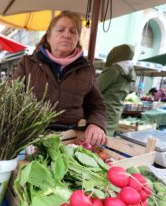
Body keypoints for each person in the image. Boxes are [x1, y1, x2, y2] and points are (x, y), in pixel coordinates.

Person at [13, 10, 106, 146]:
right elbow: (10, 97)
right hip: (30, 135)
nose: (67, 35)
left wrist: (96, 124)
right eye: (61, 30)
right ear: (49, 37)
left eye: (73, 31)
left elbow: (97, 106)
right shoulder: (28, 63)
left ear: (77, 39)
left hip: (70, 138)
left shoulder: (86, 69)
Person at [97, 44, 136, 136]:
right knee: (105, 139)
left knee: (96, 140)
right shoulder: (131, 74)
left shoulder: (113, 71)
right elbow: (130, 90)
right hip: (115, 113)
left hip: (102, 112)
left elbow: (95, 89)